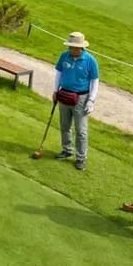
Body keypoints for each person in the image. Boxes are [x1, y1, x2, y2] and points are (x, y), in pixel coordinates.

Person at [51, 31, 99, 171]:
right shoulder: (64, 56)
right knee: (65, 126)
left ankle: (80, 158)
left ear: (81, 48)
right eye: (70, 47)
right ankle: (67, 150)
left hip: (81, 98)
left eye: (74, 47)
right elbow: (58, 73)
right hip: (64, 94)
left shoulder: (90, 60)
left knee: (81, 131)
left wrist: (91, 100)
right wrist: (55, 91)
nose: (72, 50)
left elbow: (94, 81)